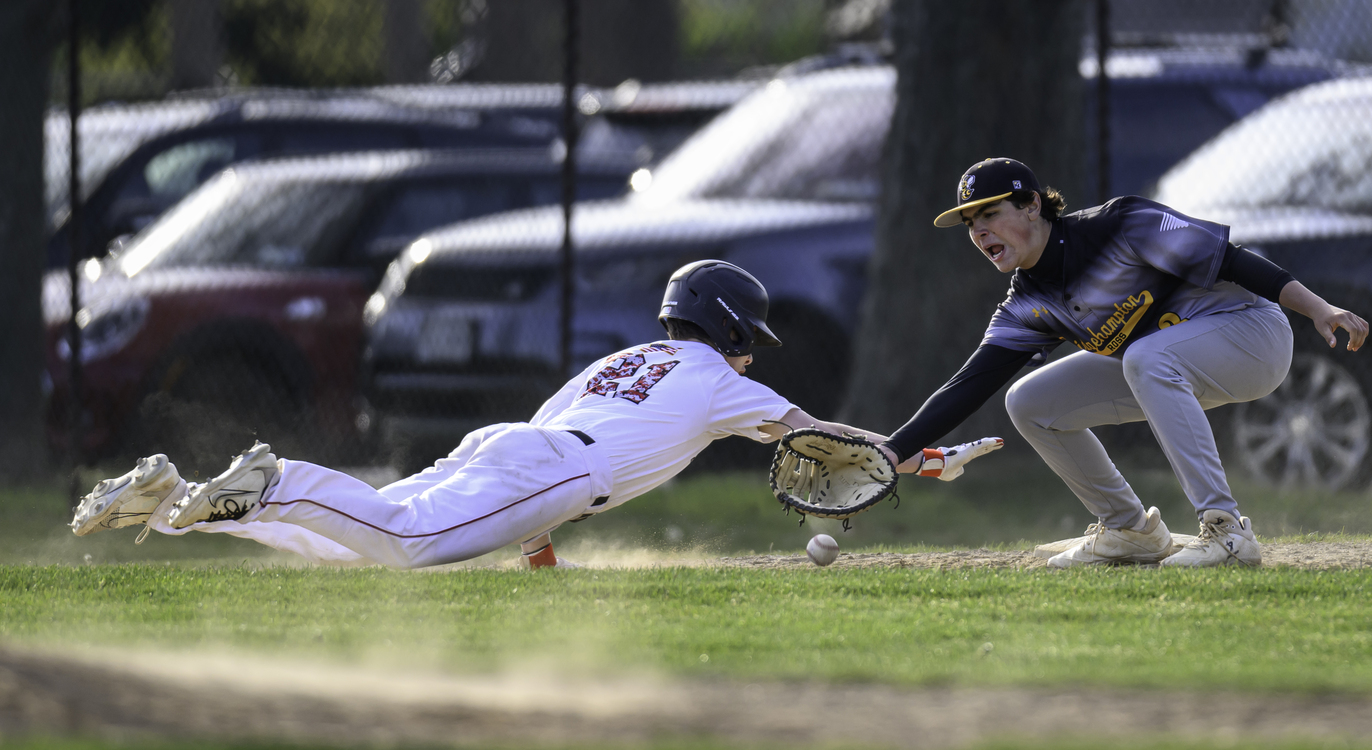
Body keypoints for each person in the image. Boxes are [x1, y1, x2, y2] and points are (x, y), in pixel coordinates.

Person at [71, 260, 1004, 569]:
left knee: (349, 544)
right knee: (406, 545)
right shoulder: (723, 379)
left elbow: (539, 458)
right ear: (725, 327)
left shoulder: (625, 359)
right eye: (748, 335)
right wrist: (927, 458)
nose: (753, 351)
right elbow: (829, 444)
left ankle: (176, 499)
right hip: (556, 465)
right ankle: (275, 478)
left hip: (525, 448)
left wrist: (541, 547)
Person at [876, 158, 1369, 568]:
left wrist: (1319, 309)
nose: (979, 230)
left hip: (1253, 334)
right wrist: (892, 453)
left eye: (990, 212)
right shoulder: (1027, 301)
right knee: (1029, 401)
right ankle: (1130, 530)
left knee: (1146, 354)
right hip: (1165, 363)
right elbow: (970, 383)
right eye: (970, 223)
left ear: (1031, 206)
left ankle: (1226, 532)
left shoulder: (1117, 226)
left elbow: (1234, 260)